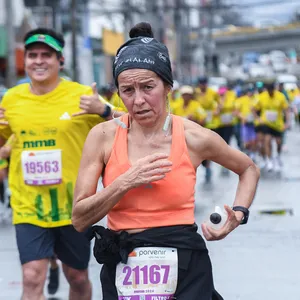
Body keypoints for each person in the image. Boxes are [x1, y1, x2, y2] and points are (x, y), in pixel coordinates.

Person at [72, 22, 260, 300]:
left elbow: (248, 169)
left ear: (168, 86)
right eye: (127, 90)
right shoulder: (101, 136)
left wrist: (239, 214)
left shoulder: (195, 137)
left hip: (185, 262)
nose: (138, 101)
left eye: (148, 87)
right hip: (123, 261)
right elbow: (79, 219)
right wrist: (125, 181)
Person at [0, 27, 116, 300]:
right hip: (29, 205)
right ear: (25, 60)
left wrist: (105, 110)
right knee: (31, 278)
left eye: (46, 55)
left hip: (73, 206)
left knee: (77, 278)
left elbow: (128, 126)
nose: (39, 61)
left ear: (60, 60)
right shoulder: (11, 100)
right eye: (32, 55)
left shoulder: (82, 95)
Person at [253, 82, 290, 172]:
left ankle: (277, 156)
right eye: (269, 91)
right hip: (266, 123)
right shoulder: (262, 96)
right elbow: (253, 109)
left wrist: (287, 122)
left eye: (272, 91)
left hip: (278, 124)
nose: (270, 93)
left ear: (274, 89)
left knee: (278, 142)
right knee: (267, 140)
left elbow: (286, 110)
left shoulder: (280, 96)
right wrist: (258, 119)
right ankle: (269, 161)